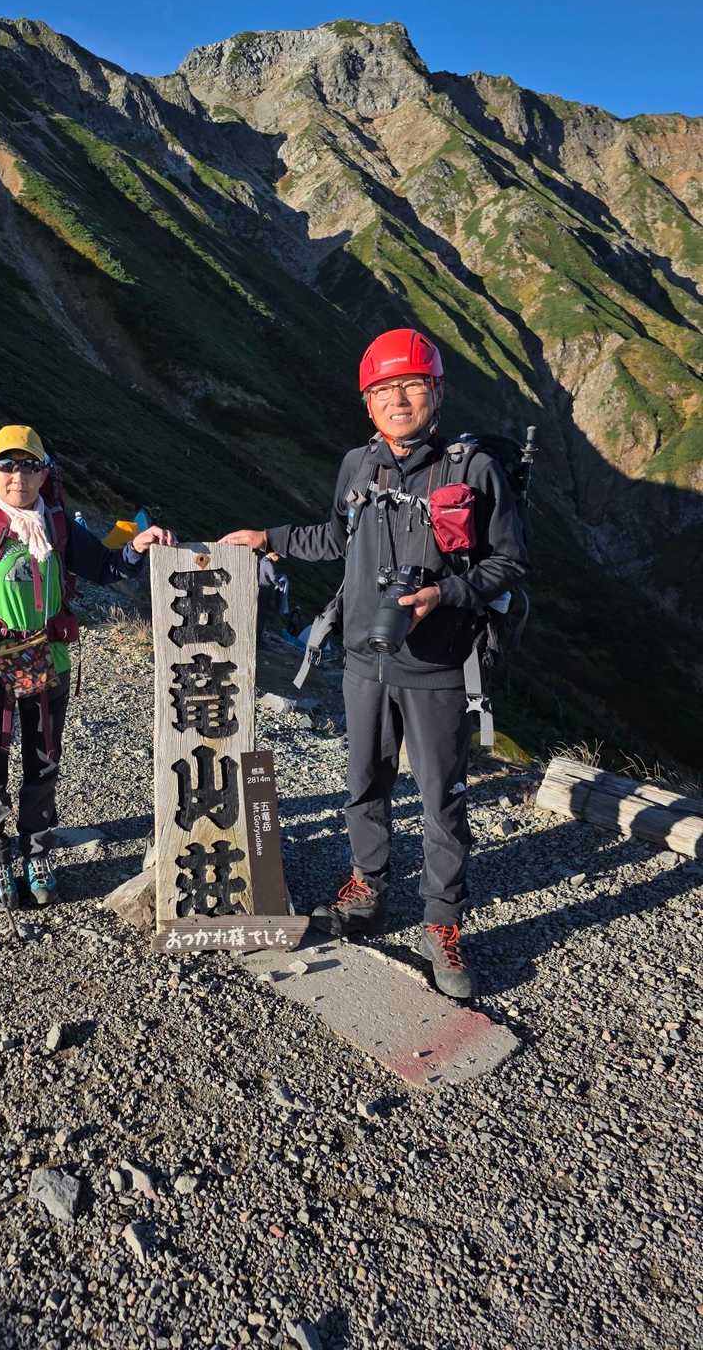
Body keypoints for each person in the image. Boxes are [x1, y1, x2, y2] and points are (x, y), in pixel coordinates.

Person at [222, 329, 527, 997]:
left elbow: (508, 562)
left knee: (441, 799)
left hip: (439, 664)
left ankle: (442, 922)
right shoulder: (357, 466)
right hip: (364, 658)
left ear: (437, 392)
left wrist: (444, 594)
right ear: (367, 402)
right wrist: (268, 539)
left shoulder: (474, 470)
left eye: (412, 385)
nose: (398, 400)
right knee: (363, 783)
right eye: (384, 390)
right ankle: (368, 890)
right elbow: (337, 536)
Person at [0, 425, 175, 910]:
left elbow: (106, 568)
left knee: (43, 763)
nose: (18, 476)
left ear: (44, 474)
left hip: (48, 659)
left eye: (29, 465)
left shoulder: (58, 525)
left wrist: (137, 547)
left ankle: (37, 854)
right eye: (7, 465)